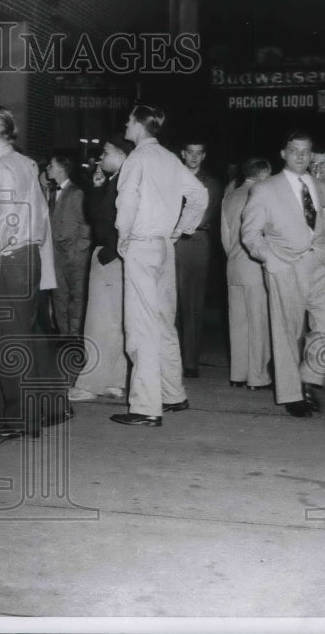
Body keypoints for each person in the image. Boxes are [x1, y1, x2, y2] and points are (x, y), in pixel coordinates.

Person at [109, 106, 207, 427]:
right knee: (165, 323)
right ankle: (173, 393)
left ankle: (146, 407)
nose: (125, 124)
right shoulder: (169, 158)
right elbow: (199, 195)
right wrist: (181, 228)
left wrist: (123, 235)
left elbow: (127, 202)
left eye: (129, 121)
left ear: (138, 125)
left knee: (141, 326)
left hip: (141, 244)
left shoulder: (136, 159)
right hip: (165, 246)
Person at [240, 130, 325, 418]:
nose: (301, 156)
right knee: (286, 331)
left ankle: (309, 377)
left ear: (312, 155)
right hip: (285, 265)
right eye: (295, 150)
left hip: (323, 266)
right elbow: (250, 235)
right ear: (283, 154)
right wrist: (270, 259)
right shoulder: (265, 189)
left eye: (306, 151)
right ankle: (291, 395)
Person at [0, 106, 64, 439]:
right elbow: (38, 216)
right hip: (25, 257)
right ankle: (4, 409)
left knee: (7, 340)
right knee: (9, 338)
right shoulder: (24, 164)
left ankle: (19, 418)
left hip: (9, 259)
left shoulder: (3, 168)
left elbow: (7, 218)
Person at [71, 134, 134, 402]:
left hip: (109, 256)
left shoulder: (119, 183)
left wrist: (108, 253)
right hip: (119, 257)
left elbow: (103, 220)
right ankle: (114, 381)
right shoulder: (120, 182)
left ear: (121, 155)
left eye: (106, 152)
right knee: (115, 322)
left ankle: (90, 384)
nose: (101, 158)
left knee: (97, 322)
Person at [220, 157, 272, 390]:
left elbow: (225, 236)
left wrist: (233, 255)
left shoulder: (229, 197)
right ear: (262, 175)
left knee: (238, 323)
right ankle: (257, 377)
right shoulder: (261, 196)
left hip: (233, 267)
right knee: (258, 323)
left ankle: (237, 374)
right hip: (255, 267)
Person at [174, 139, 222, 380]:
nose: (193, 157)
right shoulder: (170, 176)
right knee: (168, 301)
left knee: (191, 303)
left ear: (203, 156)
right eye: (189, 152)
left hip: (195, 241)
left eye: (198, 153)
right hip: (169, 242)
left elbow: (203, 216)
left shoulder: (210, 183)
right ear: (183, 153)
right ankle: (169, 359)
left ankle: (190, 361)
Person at [46, 152, 92, 338]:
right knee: (59, 296)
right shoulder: (53, 193)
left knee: (77, 296)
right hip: (57, 254)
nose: (48, 168)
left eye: (51, 165)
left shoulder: (76, 192)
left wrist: (79, 249)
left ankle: (75, 335)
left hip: (74, 255)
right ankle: (64, 335)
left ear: (62, 169)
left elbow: (86, 225)